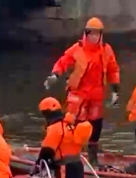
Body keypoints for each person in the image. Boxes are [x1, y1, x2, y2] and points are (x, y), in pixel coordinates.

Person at [44, 17, 120, 164]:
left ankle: (92, 157)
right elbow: (63, 62)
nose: (94, 37)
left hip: (96, 93)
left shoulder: (106, 51)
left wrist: (115, 90)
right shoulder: (77, 49)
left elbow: (113, 70)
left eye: (97, 34)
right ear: (86, 34)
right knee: (72, 123)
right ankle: (67, 154)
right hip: (78, 93)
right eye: (91, 34)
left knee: (96, 125)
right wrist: (55, 75)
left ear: (101, 35)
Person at [36, 97, 92, 178]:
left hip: (65, 171)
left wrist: (38, 164)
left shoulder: (55, 128)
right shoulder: (71, 125)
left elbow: (47, 151)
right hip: (78, 167)